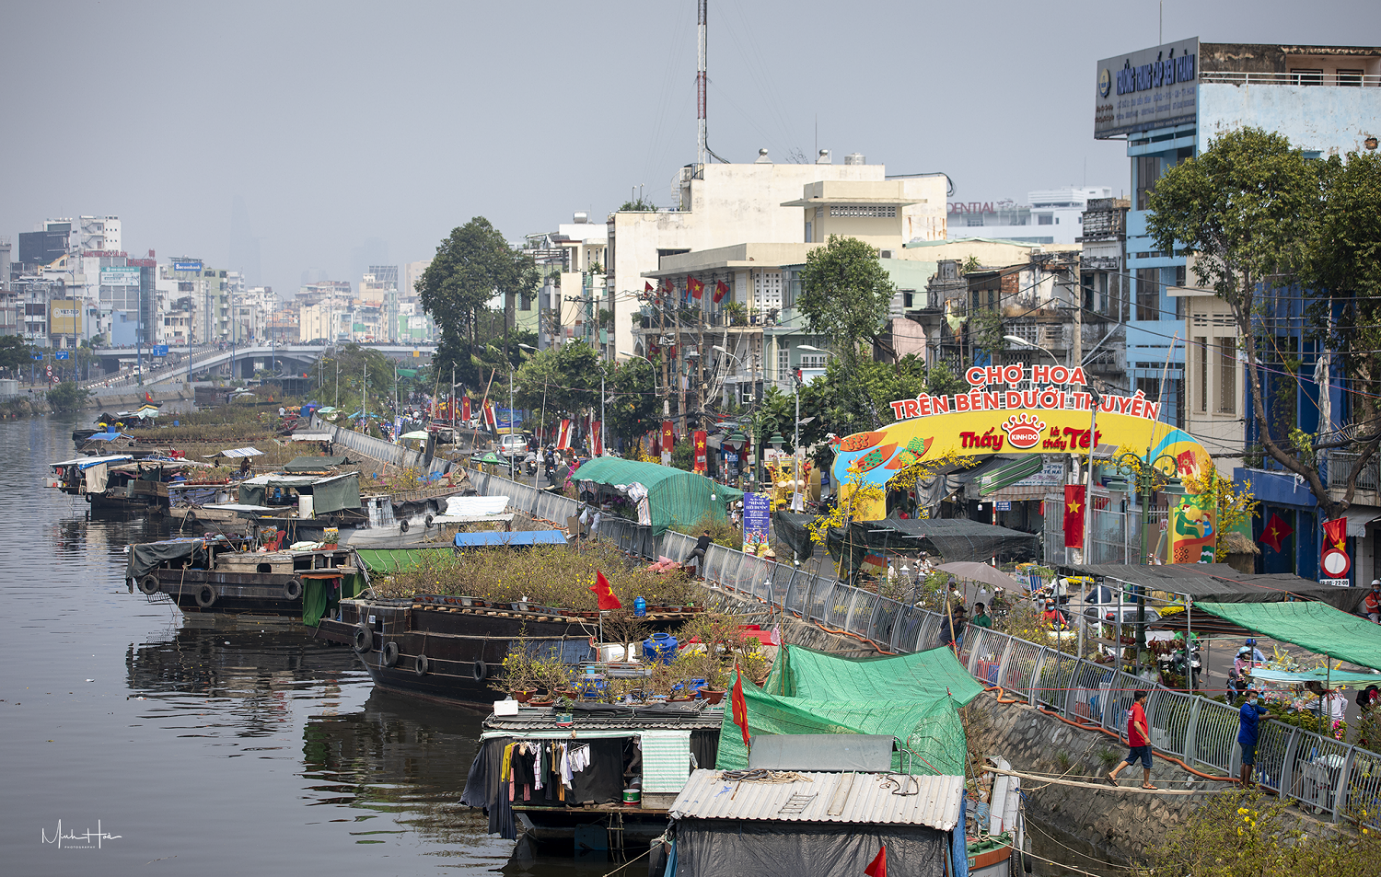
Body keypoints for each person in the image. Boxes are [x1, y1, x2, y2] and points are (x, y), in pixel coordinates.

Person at [1107, 690, 1156, 789]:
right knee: (1147, 762)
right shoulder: (1138, 709)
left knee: (1130, 759)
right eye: (1145, 698)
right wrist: (1145, 737)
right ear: (1142, 699)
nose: (1146, 700)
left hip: (1134, 741)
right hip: (1141, 741)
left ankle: (1113, 773)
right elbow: (1136, 724)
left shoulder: (1132, 708)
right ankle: (1146, 783)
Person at [1237, 688, 1269, 787]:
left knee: (1245, 761)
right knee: (1248, 763)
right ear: (1247, 698)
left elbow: (1264, 710)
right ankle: (1245, 785)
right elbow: (1256, 718)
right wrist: (1270, 717)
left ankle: (1242, 784)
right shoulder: (1246, 708)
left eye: (1256, 697)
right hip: (1246, 738)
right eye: (1252, 697)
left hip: (1250, 738)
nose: (1254, 699)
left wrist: (1267, 712)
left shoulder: (1254, 707)